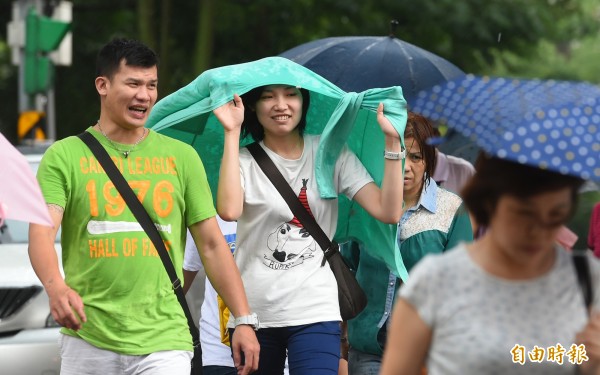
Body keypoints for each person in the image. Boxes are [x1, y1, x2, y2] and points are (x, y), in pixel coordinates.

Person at [28, 38, 259, 375]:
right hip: (88, 337)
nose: (145, 95)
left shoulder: (181, 157)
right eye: (133, 83)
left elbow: (211, 244)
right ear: (103, 86)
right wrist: (56, 287)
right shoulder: (64, 156)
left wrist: (243, 319)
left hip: (165, 339)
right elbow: (41, 232)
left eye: (151, 85)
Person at [212, 84, 404, 374]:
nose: (281, 105)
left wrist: (392, 142)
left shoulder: (330, 153)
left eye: (291, 95)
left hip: (316, 307)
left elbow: (388, 211)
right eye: (268, 97)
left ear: (304, 102)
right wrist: (231, 133)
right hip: (254, 314)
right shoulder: (242, 161)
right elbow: (228, 210)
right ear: (253, 106)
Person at [380, 154, 600, 375]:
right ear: (489, 203)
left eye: (555, 215)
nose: (538, 231)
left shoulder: (585, 279)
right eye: (524, 213)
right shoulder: (433, 281)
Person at [343, 112, 473, 374]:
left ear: (429, 160)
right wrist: (341, 347)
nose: (407, 165)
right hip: (368, 350)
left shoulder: (452, 209)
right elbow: (346, 272)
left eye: (416, 157)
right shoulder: (365, 205)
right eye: (399, 154)